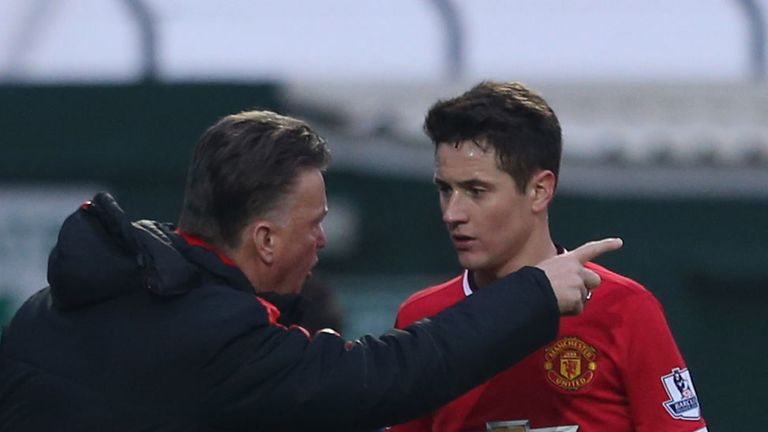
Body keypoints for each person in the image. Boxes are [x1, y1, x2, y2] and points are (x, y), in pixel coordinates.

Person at [0, 110, 620, 432]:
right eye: (314, 222)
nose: (322, 240)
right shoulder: (215, 339)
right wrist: (536, 291)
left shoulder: (52, 309)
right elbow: (391, 374)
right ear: (265, 239)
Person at [390, 82, 707, 432]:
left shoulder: (624, 309)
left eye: (476, 191)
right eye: (445, 190)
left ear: (540, 190)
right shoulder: (422, 318)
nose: (453, 213)